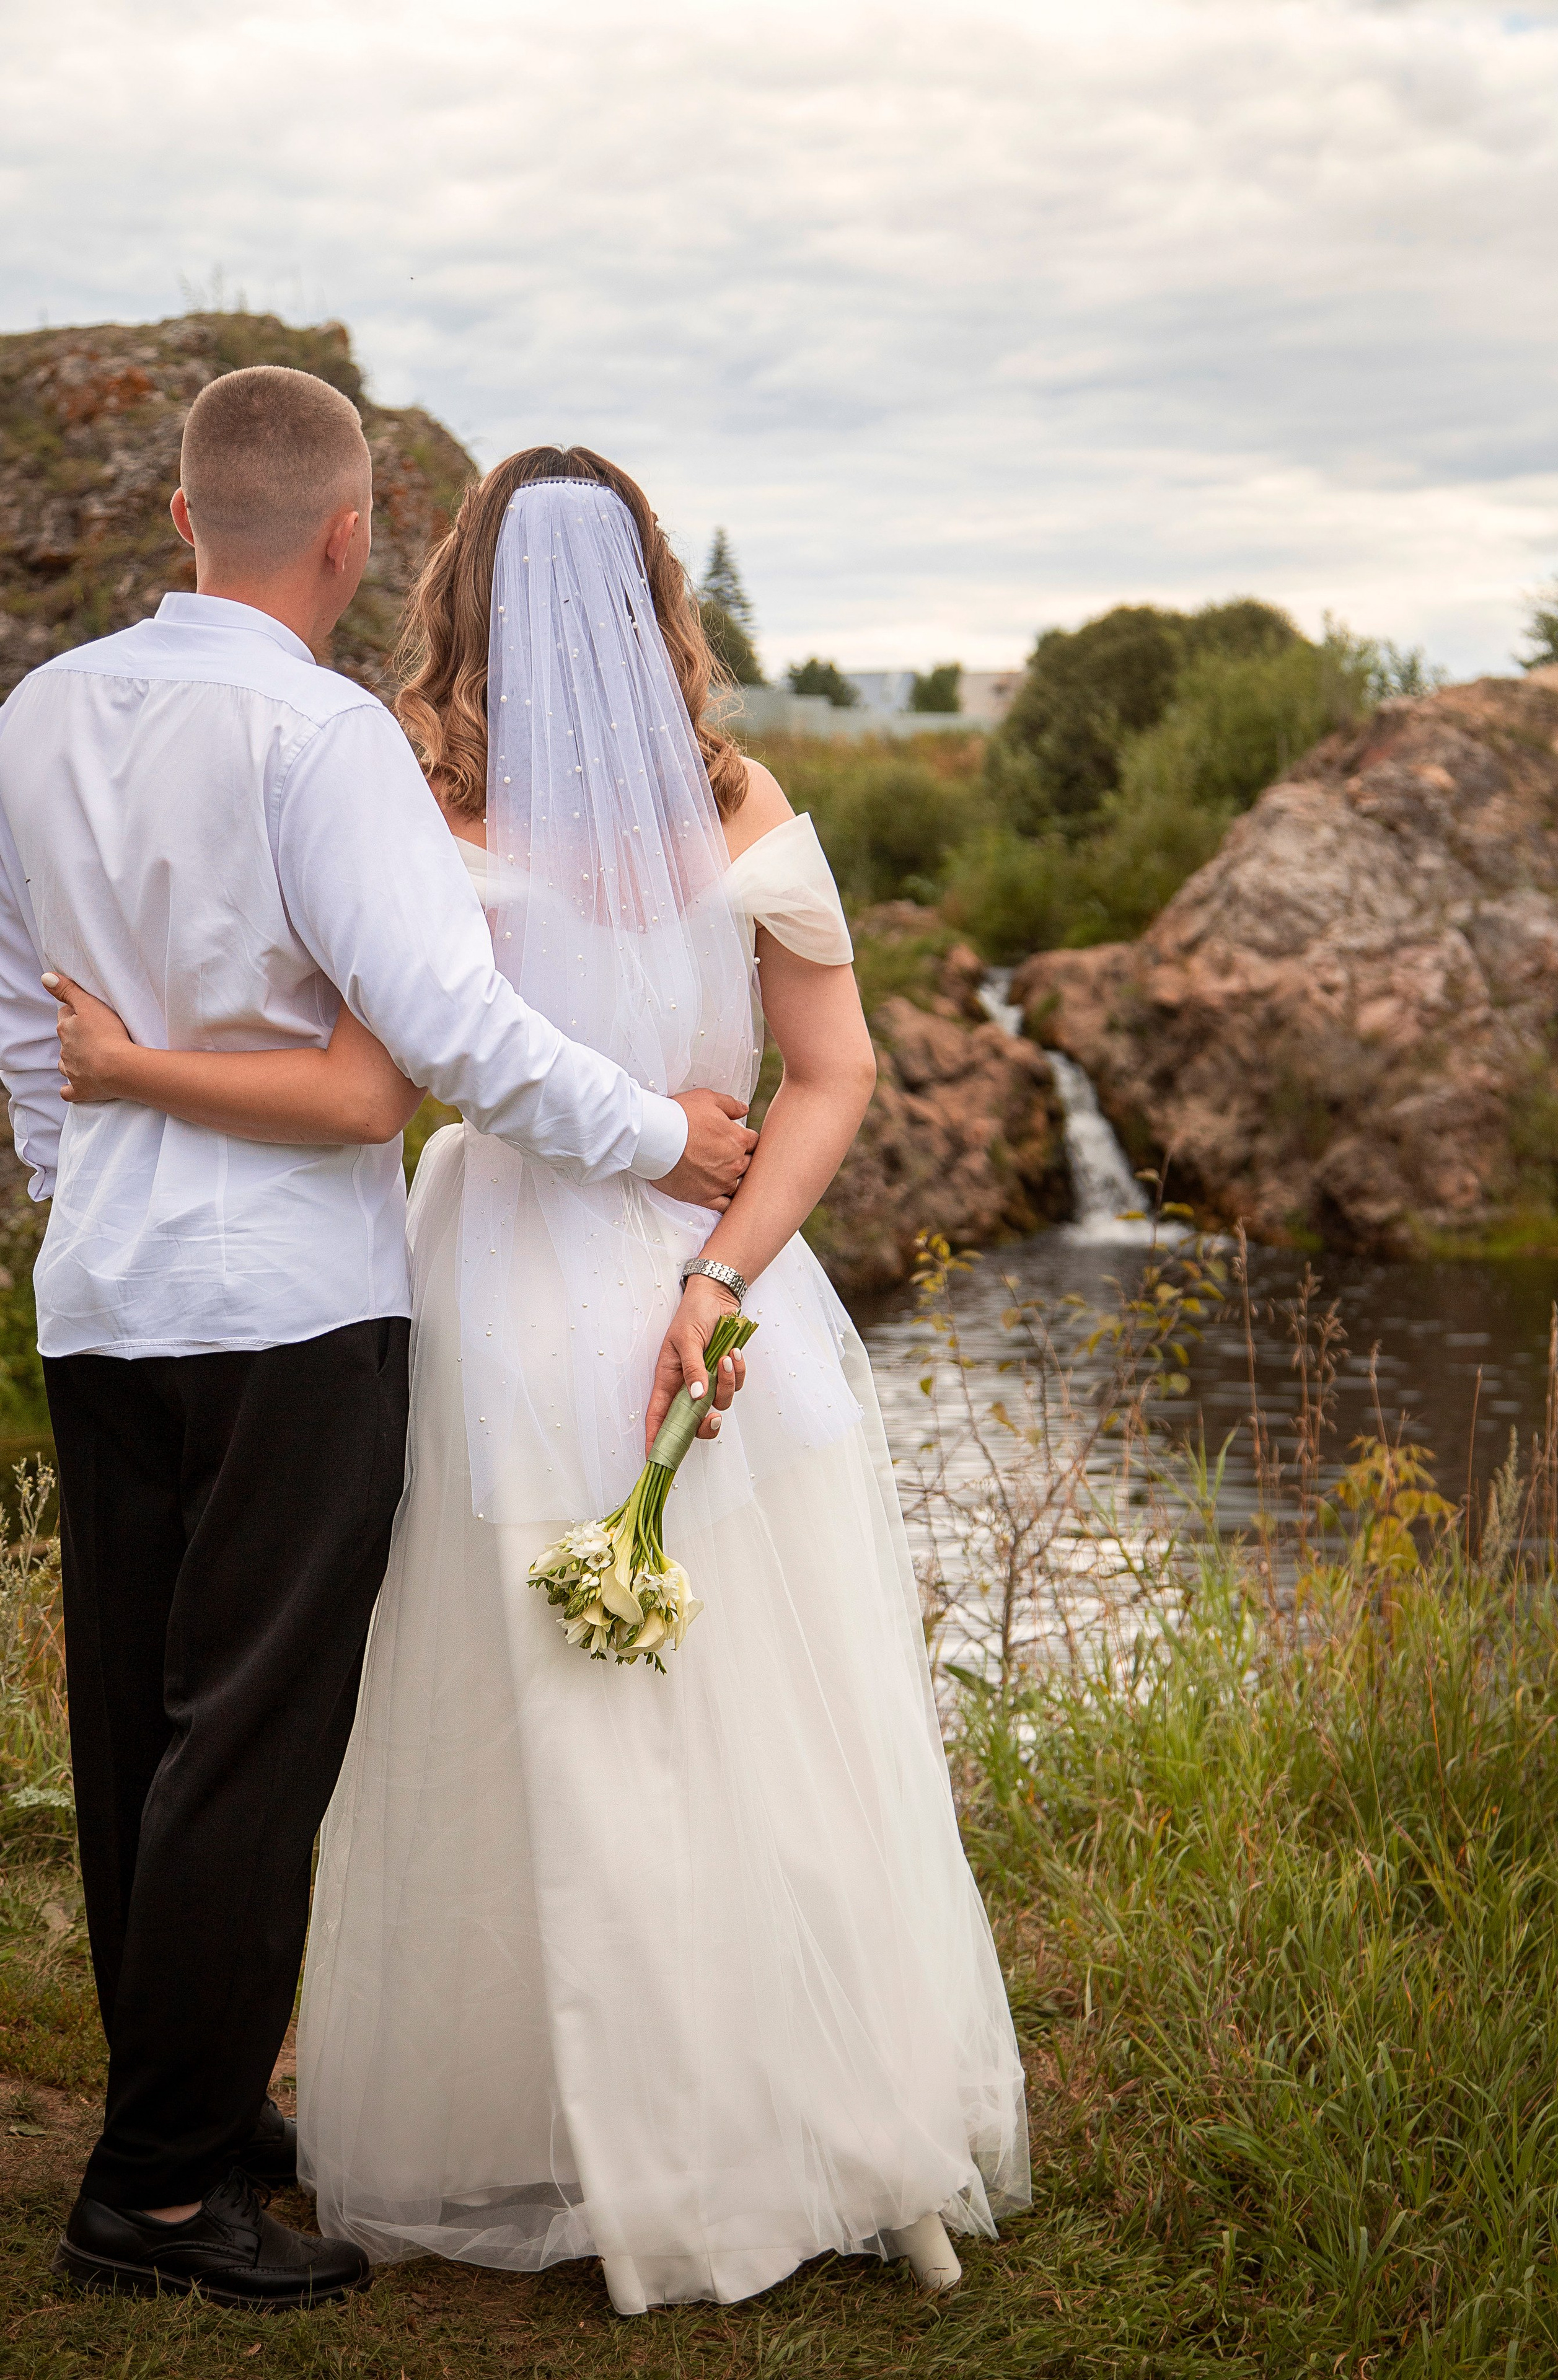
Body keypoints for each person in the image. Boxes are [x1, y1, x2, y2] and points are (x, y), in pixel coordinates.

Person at [50, 447, 1030, 2316]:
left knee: (518, 1709)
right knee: (746, 1705)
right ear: (662, 587)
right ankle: (787, 2110)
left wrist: (120, 1069)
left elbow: (384, 1084)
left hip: (498, 1279)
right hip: (716, 1296)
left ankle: (551, 2115)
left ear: (459, 594)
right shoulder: (743, 799)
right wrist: (723, 1277)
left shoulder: (423, 795)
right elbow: (830, 1079)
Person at [0, 379, 754, 2311]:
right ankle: (160, 2198)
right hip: (290, 1310)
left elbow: (25, 1027)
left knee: (137, 1728)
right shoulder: (322, 736)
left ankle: (199, 2110)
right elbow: (451, 1037)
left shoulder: (37, 715)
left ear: (183, 517)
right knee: (249, 1739)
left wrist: (82, 1186)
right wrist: (666, 1135)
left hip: (105, 1295)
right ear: (342, 539)